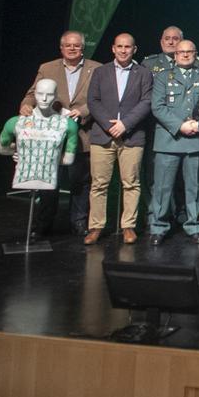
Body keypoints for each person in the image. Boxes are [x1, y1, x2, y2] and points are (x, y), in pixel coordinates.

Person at [19, 30, 100, 236]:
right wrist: (26, 106)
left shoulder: (96, 69)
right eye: (68, 45)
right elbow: (31, 95)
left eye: (77, 45)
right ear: (61, 47)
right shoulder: (47, 68)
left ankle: (79, 222)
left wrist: (82, 112)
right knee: (48, 182)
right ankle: (44, 223)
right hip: (50, 135)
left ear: (83, 47)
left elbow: (99, 99)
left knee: (80, 183)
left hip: (82, 134)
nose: (72, 49)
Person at [148, 40, 199, 245]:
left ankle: (194, 225)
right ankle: (159, 226)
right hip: (169, 139)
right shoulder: (163, 77)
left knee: (195, 186)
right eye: (181, 52)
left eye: (190, 52)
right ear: (175, 55)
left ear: (195, 53)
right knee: (162, 187)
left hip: (197, 139)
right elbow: (157, 106)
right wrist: (180, 126)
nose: (185, 55)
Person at [84, 33, 153, 245]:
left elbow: (147, 101)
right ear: (113, 48)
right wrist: (109, 124)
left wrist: (125, 124)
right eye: (120, 46)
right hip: (102, 136)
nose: (124, 50)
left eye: (128, 47)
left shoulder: (144, 73)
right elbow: (93, 101)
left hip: (131, 136)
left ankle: (128, 227)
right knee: (99, 184)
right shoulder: (100, 72)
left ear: (135, 49)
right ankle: (96, 226)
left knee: (131, 183)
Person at [0, 79, 79, 205]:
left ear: (56, 96)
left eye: (50, 94)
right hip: (22, 176)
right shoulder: (16, 122)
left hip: (48, 179)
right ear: (34, 94)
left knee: (47, 205)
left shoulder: (67, 124)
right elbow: (2, 149)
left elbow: (68, 159)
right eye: (40, 94)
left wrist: (46, 158)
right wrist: (18, 150)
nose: (45, 98)